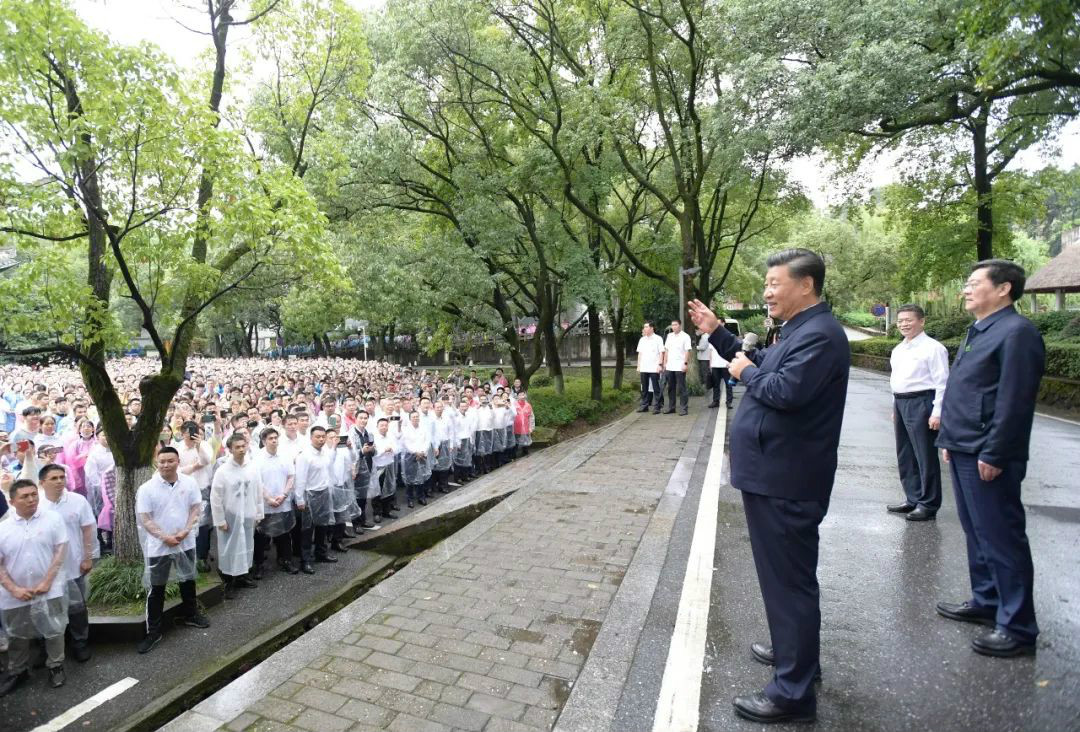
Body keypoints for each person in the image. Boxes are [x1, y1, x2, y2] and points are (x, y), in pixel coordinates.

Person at [689, 248, 849, 724]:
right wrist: (719, 332)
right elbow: (760, 358)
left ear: (806, 285)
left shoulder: (819, 335)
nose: (767, 292)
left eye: (775, 283)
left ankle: (792, 692)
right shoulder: (801, 331)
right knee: (787, 582)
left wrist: (745, 373)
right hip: (777, 473)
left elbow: (782, 389)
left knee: (788, 584)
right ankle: (794, 655)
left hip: (787, 478)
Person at [935, 260, 1045, 658]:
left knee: (1002, 537)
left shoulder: (1017, 333)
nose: (965, 289)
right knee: (976, 531)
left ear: (1003, 289)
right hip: (964, 445)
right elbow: (967, 391)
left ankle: (1017, 626)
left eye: (973, 283)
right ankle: (987, 601)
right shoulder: (979, 330)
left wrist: (996, 451)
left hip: (988, 452)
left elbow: (1014, 401)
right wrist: (949, 437)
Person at [135, 446, 210, 654]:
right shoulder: (147, 488)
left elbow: (196, 507)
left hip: (185, 542)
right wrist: (164, 537)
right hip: (159, 547)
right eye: (162, 462)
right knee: (156, 588)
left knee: (188, 580)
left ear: (178, 461)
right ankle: (154, 631)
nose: (166, 465)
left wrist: (186, 531)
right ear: (157, 463)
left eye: (170, 461)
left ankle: (191, 615)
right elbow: (145, 518)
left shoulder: (189, 482)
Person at [0, 479, 69, 694]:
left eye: (34, 494)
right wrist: (13, 589)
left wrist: (47, 582)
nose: (31, 499)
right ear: (12, 501)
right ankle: (18, 670)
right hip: (14, 594)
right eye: (25, 496)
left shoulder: (53, 519)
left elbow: (60, 552)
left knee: (54, 629)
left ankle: (56, 665)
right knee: (16, 635)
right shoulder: (3, 528)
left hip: (50, 588)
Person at [888, 304, 949, 521]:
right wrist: (894, 406)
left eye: (909, 320)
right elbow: (895, 380)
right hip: (901, 402)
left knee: (924, 455)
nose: (904, 324)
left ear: (921, 321)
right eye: (901, 320)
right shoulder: (899, 349)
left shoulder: (934, 348)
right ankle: (912, 497)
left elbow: (942, 382)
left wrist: (937, 412)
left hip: (923, 402)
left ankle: (928, 504)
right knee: (905, 453)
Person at [39, 463, 96, 663]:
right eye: (53, 478)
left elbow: (88, 530)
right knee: (49, 609)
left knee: (77, 608)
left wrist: (88, 556)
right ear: (42, 482)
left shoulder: (77, 501)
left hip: (74, 564)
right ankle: (51, 647)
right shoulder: (37, 505)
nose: (59, 481)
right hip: (47, 571)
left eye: (62, 477)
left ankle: (80, 643)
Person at [210, 433, 263, 598]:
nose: (241, 450)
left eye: (243, 446)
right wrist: (220, 520)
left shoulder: (253, 467)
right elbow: (215, 497)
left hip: (247, 515)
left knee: (246, 545)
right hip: (230, 517)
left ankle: (242, 576)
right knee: (229, 549)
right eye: (237, 447)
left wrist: (258, 513)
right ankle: (228, 581)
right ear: (230, 449)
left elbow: (258, 491)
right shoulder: (223, 471)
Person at [252, 428, 298, 576]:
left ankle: (286, 561)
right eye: (270, 438)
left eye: (275, 437)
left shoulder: (285, 455)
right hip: (264, 504)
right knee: (261, 537)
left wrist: (284, 494)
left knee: (284, 534)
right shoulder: (257, 458)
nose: (274, 440)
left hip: (283, 501)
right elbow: (256, 481)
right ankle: (259, 565)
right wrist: (268, 498)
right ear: (264, 441)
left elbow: (291, 476)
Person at [294, 425, 335, 574]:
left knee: (323, 526)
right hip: (309, 495)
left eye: (323, 436)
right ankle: (305, 560)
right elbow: (300, 479)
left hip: (323, 492)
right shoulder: (304, 456)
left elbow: (328, 472)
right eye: (318, 437)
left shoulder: (325, 453)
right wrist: (300, 499)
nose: (321, 439)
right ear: (311, 438)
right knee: (307, 529)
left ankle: (321, 553)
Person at [661, 319, 692, 416]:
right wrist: (665, 363)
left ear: (680, 325)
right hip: (670, 366)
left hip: (680, 366)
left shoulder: (685, 336)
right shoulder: (669, 336)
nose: (673, 327)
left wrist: (685, 363)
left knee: (682, 387)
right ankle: (671, 407)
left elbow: (687, 351)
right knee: (671, 388)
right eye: (672, 325)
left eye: (675, 325)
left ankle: (683, 408)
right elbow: (666, 350)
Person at [636, 321, 665, 414]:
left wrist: (660, 365)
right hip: (644, 367)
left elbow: (661, 352)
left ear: (652, 328)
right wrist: (638, 365)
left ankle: (657, 406)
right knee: (644, 388)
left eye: (646, 327)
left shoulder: (658, 339)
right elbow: (640, 353)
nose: (644, 328)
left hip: (654, 367)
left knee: (656, 388)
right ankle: (644, 405)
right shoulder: (642, 339)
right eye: (644, 327)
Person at [707, 327, 734, 410]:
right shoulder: (711, 339)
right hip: (715, 365)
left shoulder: (728, 338)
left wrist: (730, 362)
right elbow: (710, 352)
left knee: (728, 384)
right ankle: (715, 401)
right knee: (716, 384)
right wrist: (710, 364)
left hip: (725, 365)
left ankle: (729, 402)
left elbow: (732, 351)